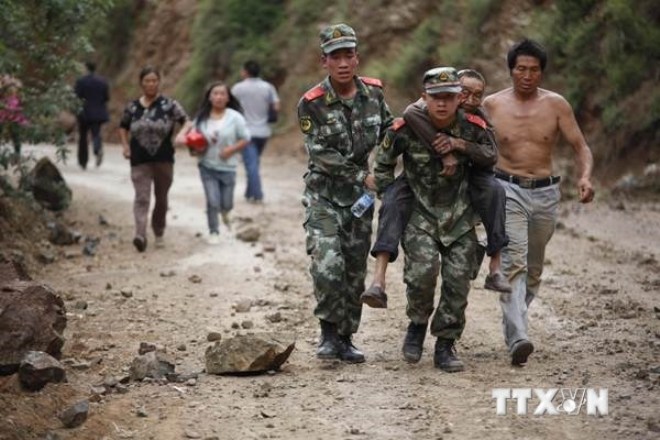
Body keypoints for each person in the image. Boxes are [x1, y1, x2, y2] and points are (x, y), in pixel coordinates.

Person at [373, 67, 497, 372]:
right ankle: (416, 324)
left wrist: (460, 147)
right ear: (424, 97)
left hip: (460, 215)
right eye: (435, 97)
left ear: (458, 99)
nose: (442, 103)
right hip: (420, 214)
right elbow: (383, 166)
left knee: (457, 282)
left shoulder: (473, 127)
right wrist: (393, 198)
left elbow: (491, 155)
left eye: (449, 97)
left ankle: (445, 343)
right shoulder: (403, 128)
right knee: (422, 274)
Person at [482, 38, 594, 366]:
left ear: (542, 73)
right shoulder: (492, 105)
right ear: (511, 70)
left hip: (545, 192)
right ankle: (519, 336)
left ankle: (513, 321)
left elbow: (581, 147)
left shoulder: (557, 105)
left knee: (533, 271)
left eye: (534, 70)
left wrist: (585, 177)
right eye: (521, 69)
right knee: (514, 263)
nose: (527, 75)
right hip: (506, 187)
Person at [361, 68, 510, 311]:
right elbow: (402, 127)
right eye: (465, 93)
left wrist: (457, 145)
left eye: (476, 95)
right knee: (392, 202)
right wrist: (443, 151)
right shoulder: (415, 116)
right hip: (418, 189)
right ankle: (378, 281)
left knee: (495, 191)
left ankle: (495, 265)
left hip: (462, 192)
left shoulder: (475, 121)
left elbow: (491, 153)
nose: (469, 100)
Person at [297, 23, 393, 363]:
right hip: (323, 196)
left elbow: (389, 133)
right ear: (324, 61)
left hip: (359, 202)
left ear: (357, 58)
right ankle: (327, 333)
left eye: (348, 55)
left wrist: (385, 169)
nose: (343, 63)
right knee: (328, 264)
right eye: (335, 56)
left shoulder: (375, 94)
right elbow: (319, 152)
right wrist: (360, 175)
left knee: (353, 269)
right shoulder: (312, 103)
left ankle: (346, 337)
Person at [118, 66, 189, 252]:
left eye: (154, 80)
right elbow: (123, 126)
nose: (150, 84)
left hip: (164, 159)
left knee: (161, 197)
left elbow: (187, 121)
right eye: (147, 81)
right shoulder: (132, 107)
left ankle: (159, 231)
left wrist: (180, 135)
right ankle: (140, 235)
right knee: (142, 197)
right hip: (139, 159)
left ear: (159, 82)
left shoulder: (170, 105)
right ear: (141, 83)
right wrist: (125, 146)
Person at [175, 82, 250, 244]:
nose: (218, 97)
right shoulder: (201, 119)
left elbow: (246, 138)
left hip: (228, 167)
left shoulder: (235, 117)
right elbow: (191, 139)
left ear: (228, 97)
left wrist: (231, 150)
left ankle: (226, 213)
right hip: (207, 166)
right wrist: (187, 143)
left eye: (222, 94)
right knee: (212, 200)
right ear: (209, 97)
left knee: (226, 203)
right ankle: (214, 231)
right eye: (215, 93)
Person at [231, 60, 280, 203]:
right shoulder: (268, 87)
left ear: (245, 72)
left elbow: (230, 106)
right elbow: (276, 106)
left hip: (246, 132)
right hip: (263, 132)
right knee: (253, 163)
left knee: (251, 164)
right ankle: (249, 193)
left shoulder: (238, 88)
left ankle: (257, 195)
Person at [75, 61, 110, 169]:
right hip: (98, 112)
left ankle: (83, 161)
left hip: (84, 112)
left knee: (83, 137)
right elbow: (107, 97)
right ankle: (97, 149)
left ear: (86, 68)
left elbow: (76, 97)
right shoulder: (102, 81)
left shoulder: (81, 81)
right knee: (96, 133)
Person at [0, 76, 28, 161]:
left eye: (14, 90)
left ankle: (17, 154)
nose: (12, 91)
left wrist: (17, 110)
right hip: (3, 117)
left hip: (15, 119)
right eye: (10, 90)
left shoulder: (17, 99)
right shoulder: (3, 99)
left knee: (16, 136)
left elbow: (21, 107)